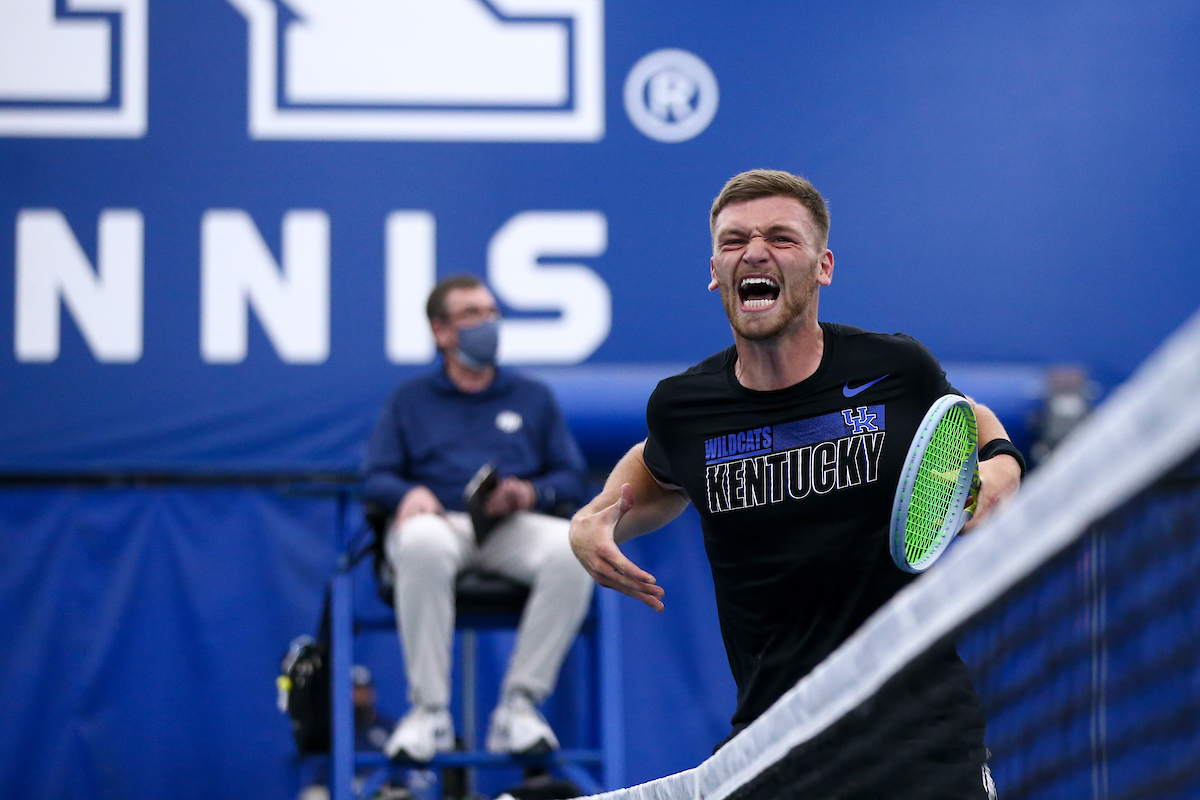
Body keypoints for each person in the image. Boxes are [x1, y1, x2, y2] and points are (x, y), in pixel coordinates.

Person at [569, 170, 1024, 797]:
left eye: (781, 238)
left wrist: (1000, 460)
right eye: (734, 241)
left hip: (919, 736)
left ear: (823, 265)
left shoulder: (894, 369)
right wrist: (598, 515)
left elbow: (963, 415)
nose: (754, 252)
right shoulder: (684, 408)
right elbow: (654, 463)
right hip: (776, 739)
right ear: (714, 271)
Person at [363, 274, 594, 763]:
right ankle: (429, 714)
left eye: (491, 312)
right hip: (441, 526)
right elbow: (376, 477)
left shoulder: (532, 396)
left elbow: (571, 478)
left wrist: (529, 492)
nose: (487, 324)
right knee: (419, 540)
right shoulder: (410, 400)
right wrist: (410, 493)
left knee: (574, 550)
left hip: (509, 528)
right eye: (472, 315)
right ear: (441, 331)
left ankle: (519, 706)